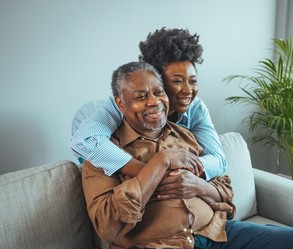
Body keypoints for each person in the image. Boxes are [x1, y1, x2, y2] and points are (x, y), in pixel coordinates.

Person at [82, 61, 293, 249]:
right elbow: (107, 225)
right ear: (120, 104)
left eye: (158, 92)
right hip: (156, 248)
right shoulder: (102, 154)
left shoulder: (185, 135)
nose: (154, 102)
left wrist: (200, 186)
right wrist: (160, 162)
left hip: (216, 234)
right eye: (141, 96)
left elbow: (225, 190)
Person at [71, 27, 226, 181]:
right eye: (177, 81)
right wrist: (154, 172)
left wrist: (182, 173)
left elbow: (218, 159)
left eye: (193, 81)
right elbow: (85, 140)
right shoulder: (122, 104)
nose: (188, 90)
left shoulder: (196, 108)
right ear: (157, 80)